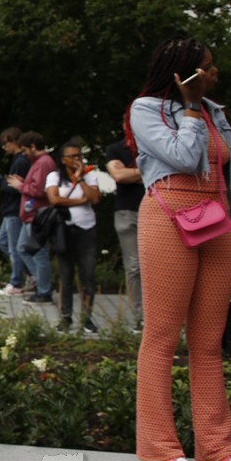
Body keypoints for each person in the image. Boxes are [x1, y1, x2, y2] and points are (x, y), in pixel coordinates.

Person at [127, 37, 231, 461]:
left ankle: (217, 447)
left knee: (208, 341)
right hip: (168, 217)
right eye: (208, 66)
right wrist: (192, 108)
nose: (215, 73)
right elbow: (184, 156)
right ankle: (156, 446)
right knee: (162, 336)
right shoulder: (147, 109)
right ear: (185, 74)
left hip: (216, 222)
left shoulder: (217, 112)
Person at [45, 141, 101, 334]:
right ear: (63, 160)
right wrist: (79, 201)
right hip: (64, 230)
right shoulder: (54, 176)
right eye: (73, 156)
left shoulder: (90, 175)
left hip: (86, 229)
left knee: (88, 276)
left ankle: (87, 318)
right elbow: (54, 199)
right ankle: (65, 317)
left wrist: (81, 179)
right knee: (66, 275)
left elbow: (94, 198)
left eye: (79, 155)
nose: (77, 159)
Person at [105, 135, 144, 325]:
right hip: (127, 211)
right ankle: (140, 316)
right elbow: (119, 175)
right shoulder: (115, 149)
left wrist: (132, 173)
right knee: (134, 265)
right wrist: (150, 171)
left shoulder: (154, 144)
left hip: (157, 211)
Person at [15, 131, 56, 305]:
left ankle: (44, 291)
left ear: (33, 147)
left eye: (25, 150)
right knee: (22, 248)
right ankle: (42, 282)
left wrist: (20, 186)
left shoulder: (44, 163)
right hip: (31, 215)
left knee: (39, 253)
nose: (24, 154)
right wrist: (24, 182)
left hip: (38, 215)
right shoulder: (38, 163)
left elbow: (39, 190)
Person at [0, 127, 30, 295]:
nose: (4, 147)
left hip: (15, 209)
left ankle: (17, 282)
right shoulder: (17, 160)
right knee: (3, 242)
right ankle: (28, 272)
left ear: (14, 141)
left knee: (15, 247)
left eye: (5, 143)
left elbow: (14, 187)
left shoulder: (21, 161)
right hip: (10, 209)